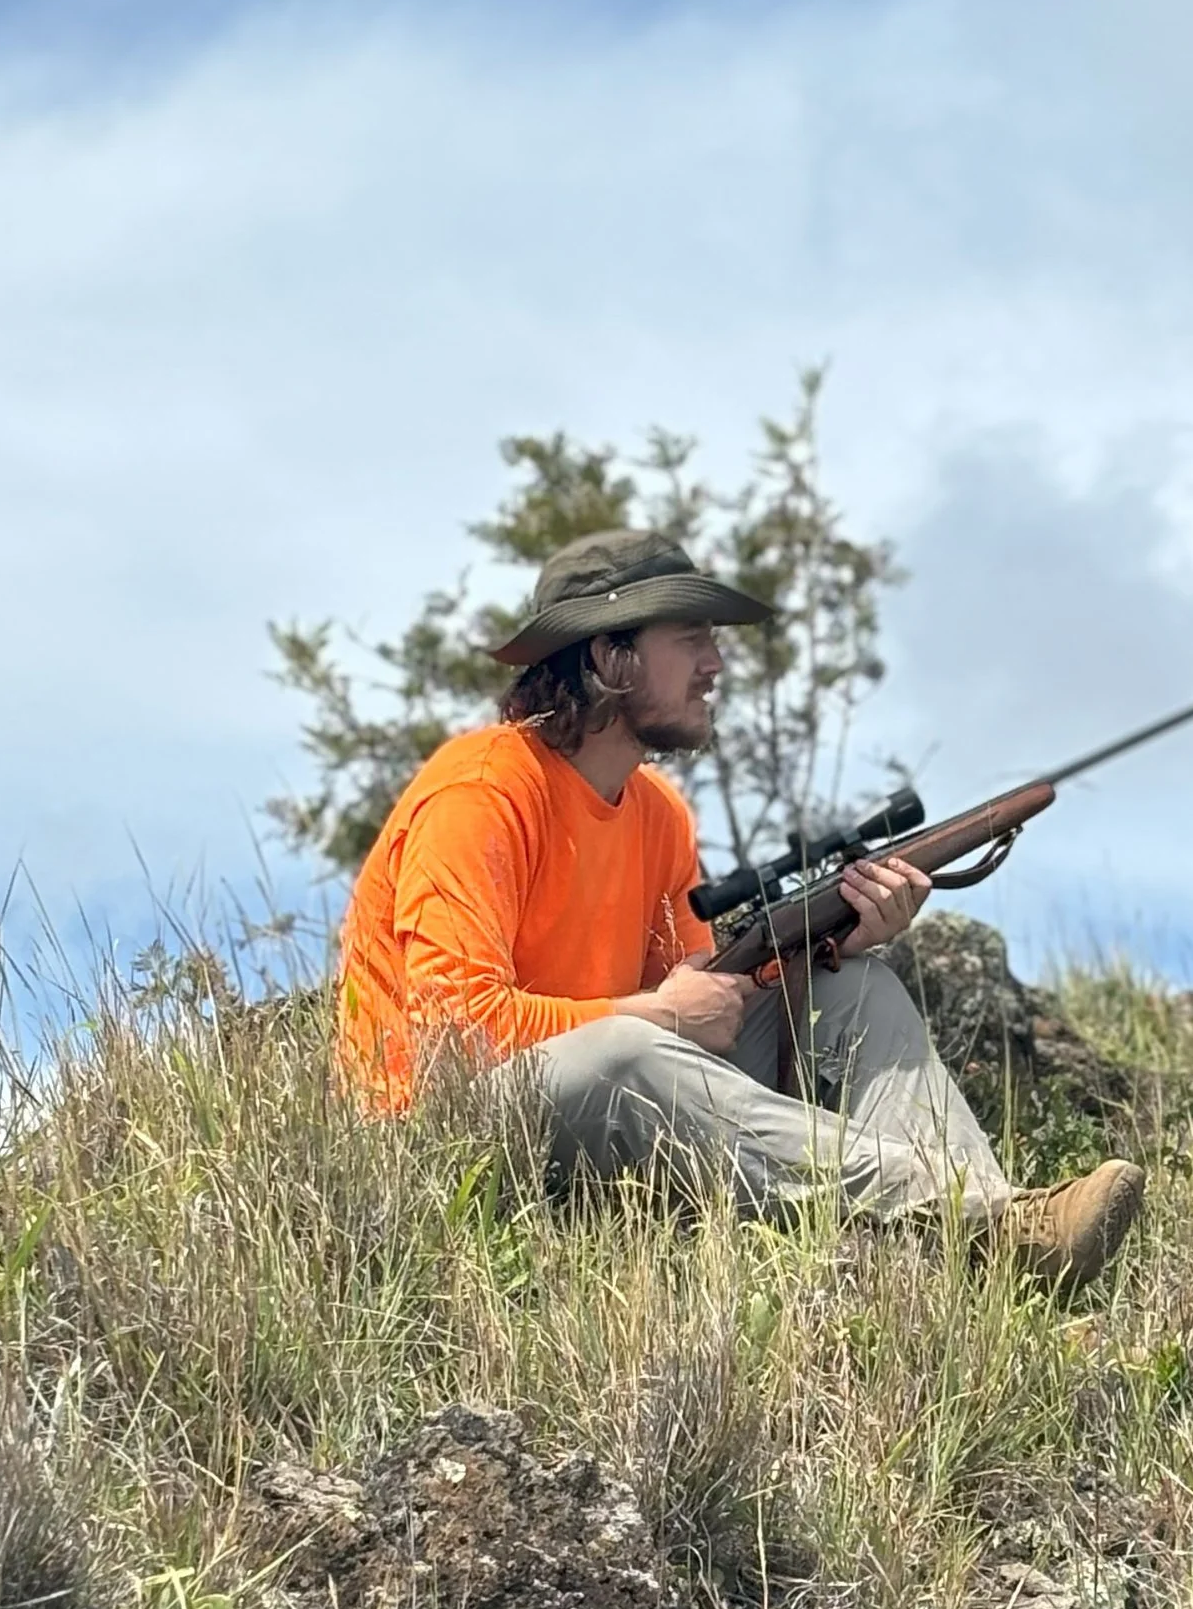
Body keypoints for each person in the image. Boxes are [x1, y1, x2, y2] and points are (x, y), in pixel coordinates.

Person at [335, 526, 1144, 1292]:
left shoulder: (657, 810)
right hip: (446, 1145)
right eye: (690, 637)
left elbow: (703, 1004)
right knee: (624, 1050)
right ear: (611, 656)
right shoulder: (480, 792)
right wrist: (652, 1013)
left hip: (599, 1120)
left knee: (853, 992)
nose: (716, 662)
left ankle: (994, 1270)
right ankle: (979, 1220)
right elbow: (455, 1039)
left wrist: (833, 940)